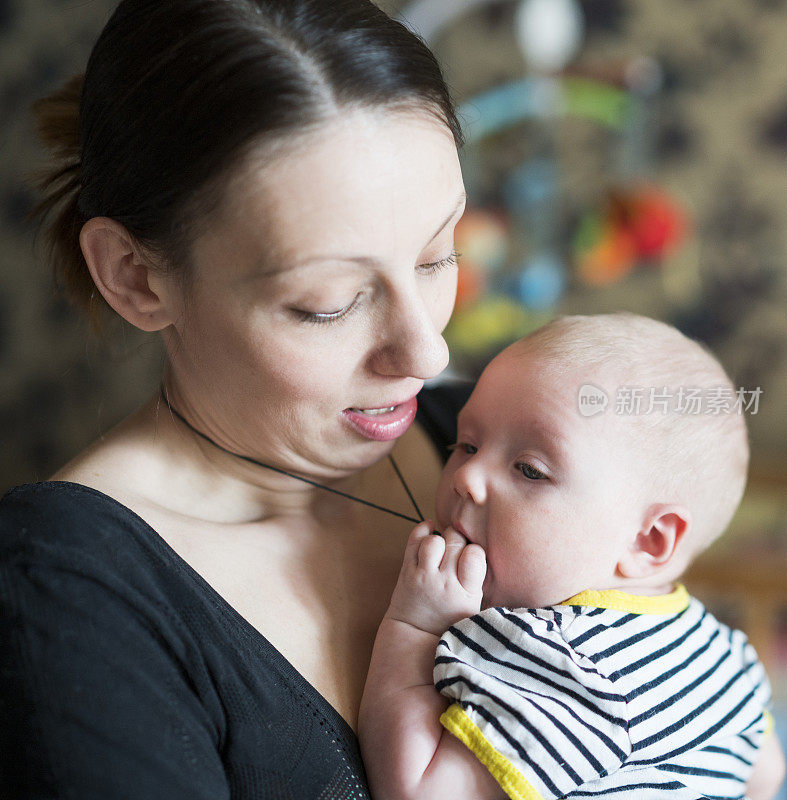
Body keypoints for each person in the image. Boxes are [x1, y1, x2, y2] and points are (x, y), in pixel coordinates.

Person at [0, 1, 472, 797]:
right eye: (327, 302)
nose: (428, 351)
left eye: (438, 256)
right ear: (136, 277)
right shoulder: (66, 594)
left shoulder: (494, 440)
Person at [359, 313, 787, 800]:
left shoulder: (560, 659)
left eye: (530, 470)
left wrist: (415, 628)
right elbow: (767, 774)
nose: (466, 477)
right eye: (466, 444)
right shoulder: (725, 652)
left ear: (649, 541)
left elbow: (418, 792)